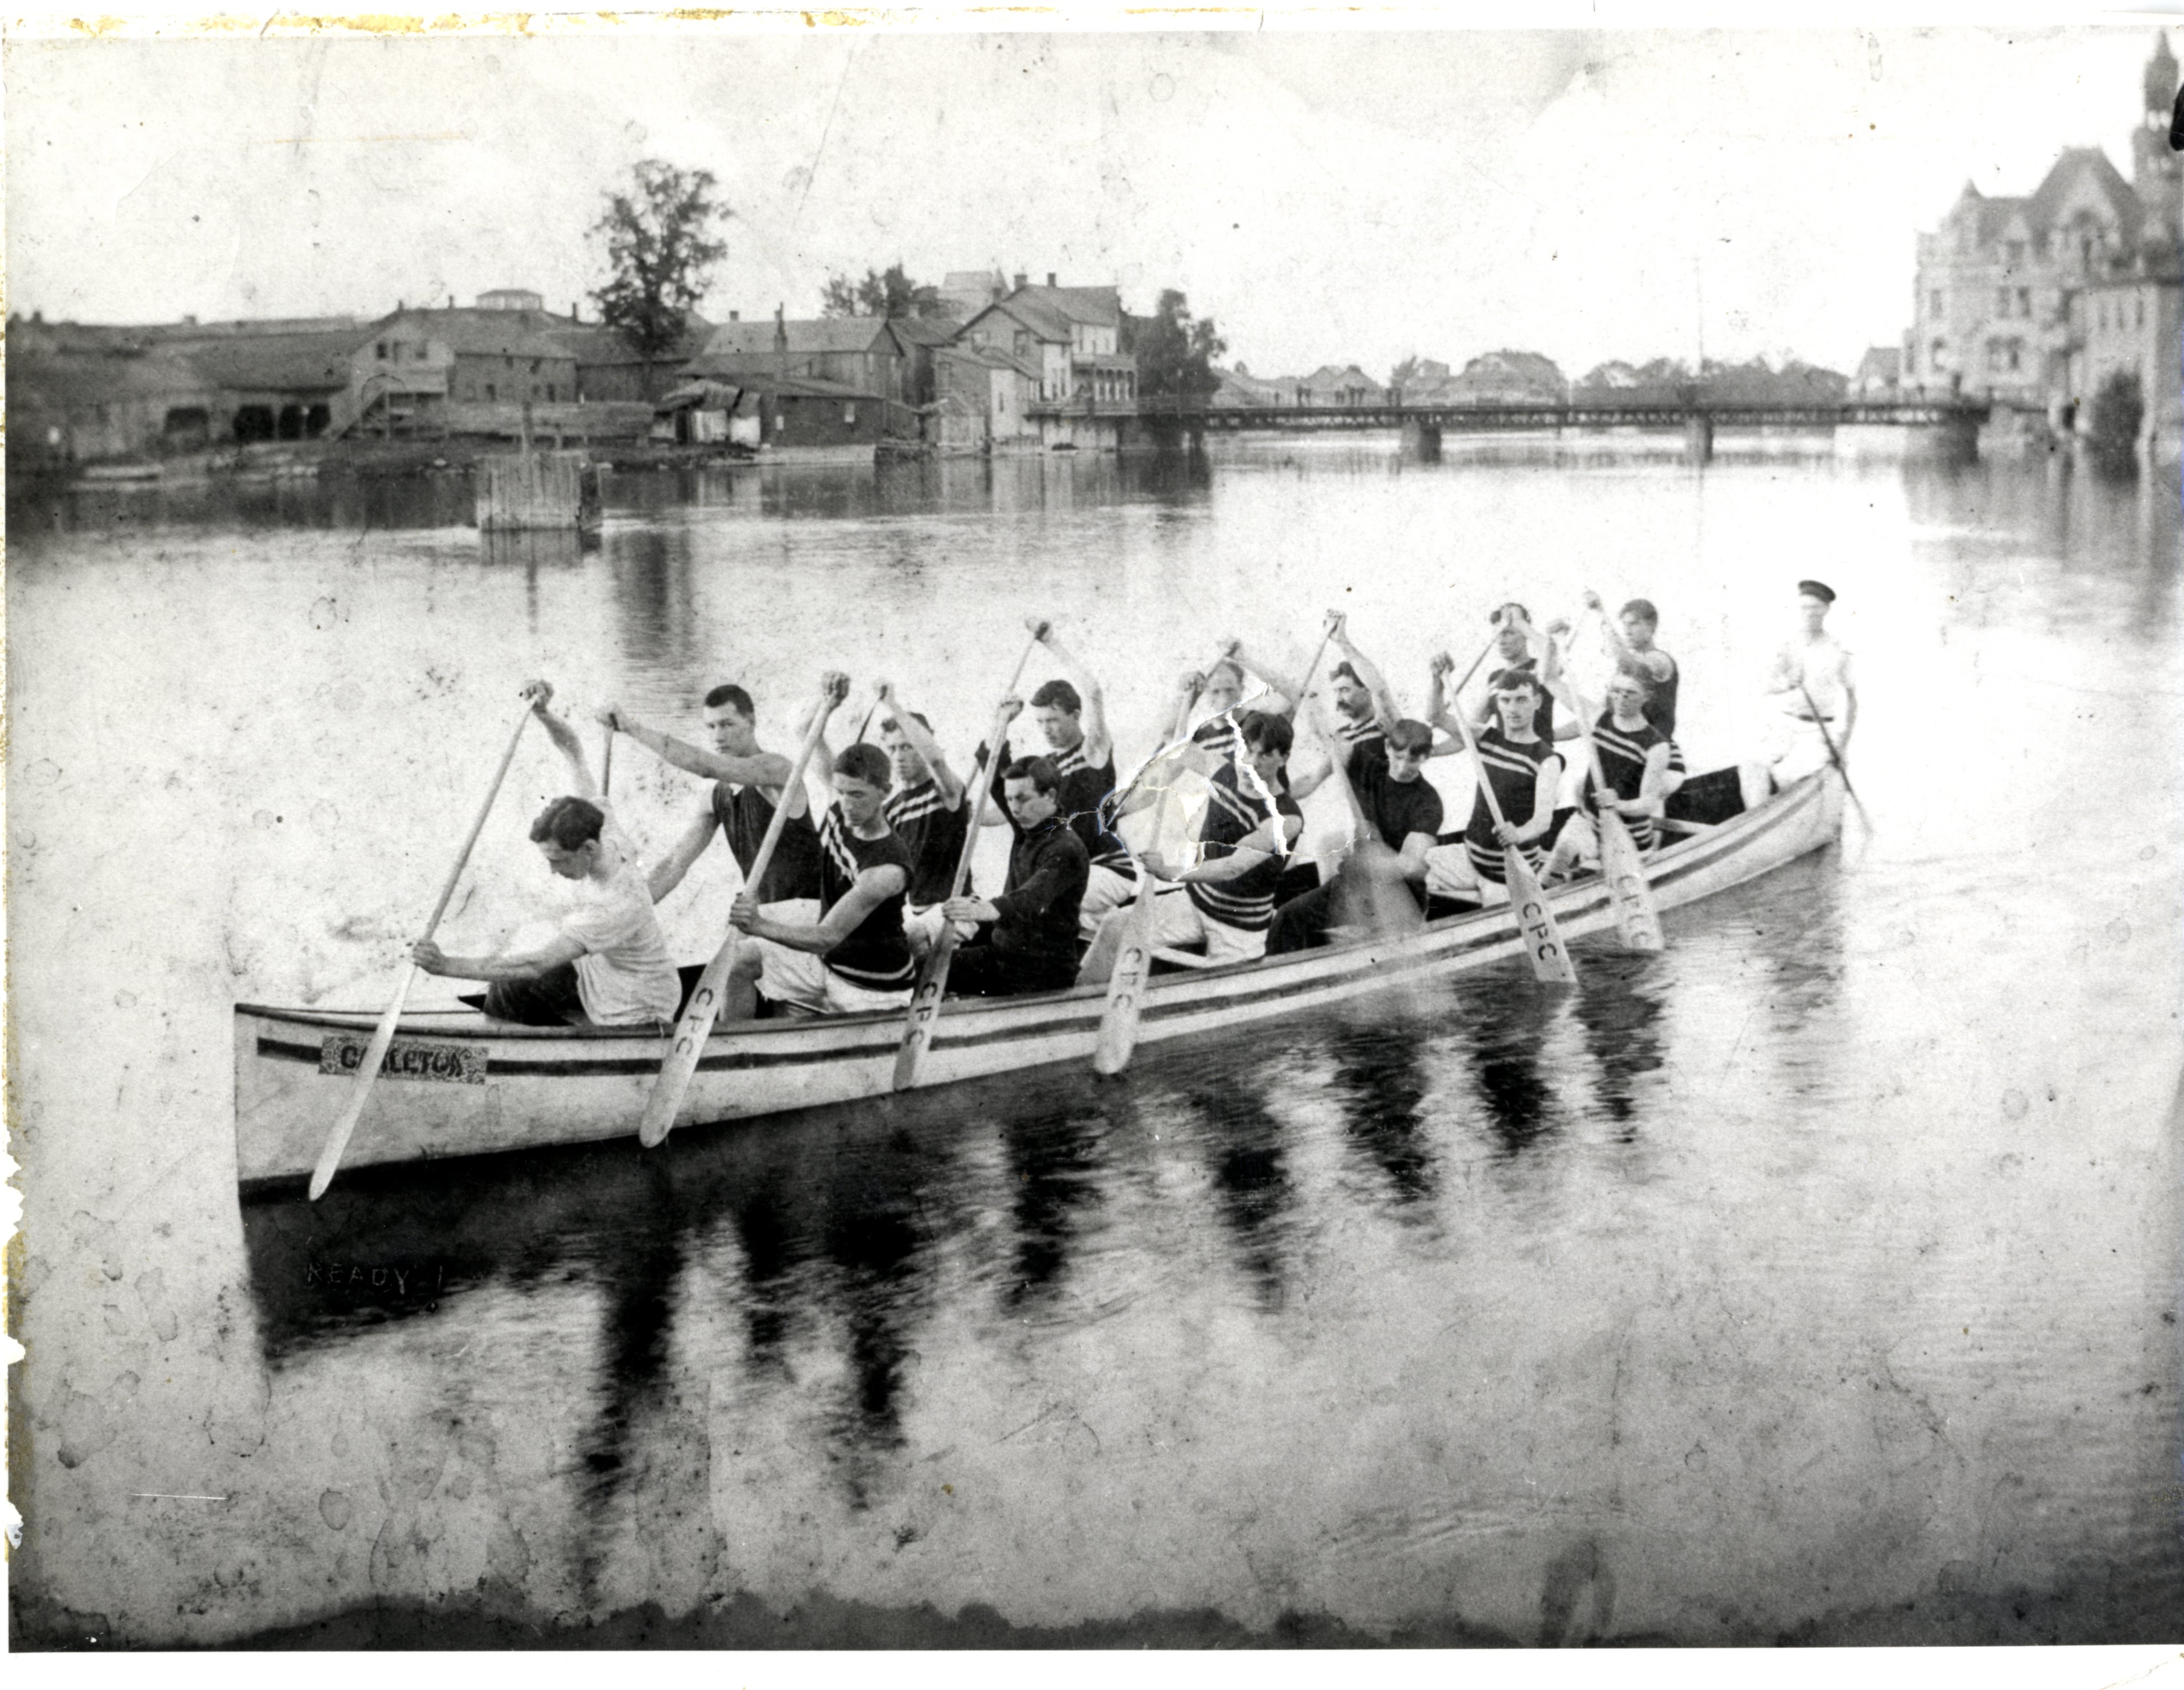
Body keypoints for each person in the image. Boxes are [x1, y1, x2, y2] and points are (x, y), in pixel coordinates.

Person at [412, 682, 679, 1027]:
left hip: (636, 1007)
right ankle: (513, 1046)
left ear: (588, 849)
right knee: (508, 985)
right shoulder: (601, 824)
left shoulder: (617, 903)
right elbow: (573, 751)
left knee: (517, 976)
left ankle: (511, 1058)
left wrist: (446, 966)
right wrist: (543, 714)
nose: (553, 871)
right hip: (599, 975)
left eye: (558, 861)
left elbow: (535, 965)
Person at [1078, 710, 1304, 980]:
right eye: (1247, 751)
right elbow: (1178, 746)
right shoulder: (1223, 770)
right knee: (1116, 926)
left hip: (1238, 928)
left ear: (1284, 758)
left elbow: (1232, 868)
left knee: (1220, 994)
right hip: (1196, 902)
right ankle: (1079, 997)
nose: (1251, 764)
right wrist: (1187, 700)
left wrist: (1171, 871)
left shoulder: (1287, 819)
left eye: (1264, 755)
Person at [722, 730, 917, 1020]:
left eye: (857, 795)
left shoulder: (885, 870)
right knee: (739, 962)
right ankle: (732, 1051)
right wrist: (829, 698)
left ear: (885, 792)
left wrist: (758, 924)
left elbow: (827, 937)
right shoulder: (843, 809)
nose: (847, 804)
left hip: (870, 986)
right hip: (831, 961)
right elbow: (812, 739)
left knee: (758, 930)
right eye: (841, 792)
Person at [603, 679, 825, 913]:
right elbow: (675, 864)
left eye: (727, 724)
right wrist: (626, 912)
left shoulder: (777, 770)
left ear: (751, 722)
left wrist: (631, 728)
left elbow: (705, 767)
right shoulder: (715, 797)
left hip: (811, 910)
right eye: (711, 727)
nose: (718, 736)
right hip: (767, 915)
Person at [1265, 714, 1444, 953]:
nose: (1402, 768)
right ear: (1388, 747)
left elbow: (1409, 865)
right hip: (1356, 883)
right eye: (1398, 757)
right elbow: (1330, 737)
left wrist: (1369, 859)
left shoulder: (1427, 802)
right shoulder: (1371, 768)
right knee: (1288, 917)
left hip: (1400, 895)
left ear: (1427, 757)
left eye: (1413, 761)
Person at [1011, 618, 1137, 936]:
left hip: (1108, 868)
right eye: (1039, 723)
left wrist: (1051, 642)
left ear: (1076, 716)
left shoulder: (1093, 751)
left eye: (1052, 720)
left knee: (1047, 904)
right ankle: (1099, 942)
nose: (1046, 730)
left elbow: (1093, 692)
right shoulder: (1046, 765)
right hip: (1073, 871)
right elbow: (1008, 808)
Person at [943, 749, 1090, 997]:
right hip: (1008, 957)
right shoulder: (1029, 828)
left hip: (1039, 973)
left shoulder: (1065, 848)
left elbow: (1032, 898)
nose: (1014, 808)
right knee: (934, 959)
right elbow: (998, 782)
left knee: (930, 968)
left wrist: (988, 909)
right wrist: (990, 749)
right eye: (1010, 800)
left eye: (1022, 799)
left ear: (1051, 796)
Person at [1422, 667, 1565, 907]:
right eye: (1506, 700)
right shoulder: (1486, 737)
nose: (1513, 708)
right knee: (1417, 867)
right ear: (1498, 704)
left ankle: (1539, 883)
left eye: (1521, 700)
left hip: (1507, 874)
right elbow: (1436, 716)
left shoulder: (1546, 760)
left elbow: (1543, 822)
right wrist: (1437, 680)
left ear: (1537, 702)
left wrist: (1517, 834)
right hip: (1471, 859)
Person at [1542, 666, 1676, 881]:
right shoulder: (1598, 718)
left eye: (1630, 693)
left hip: (1628, 837)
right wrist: (1551, 639)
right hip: (1586, 822)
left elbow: (1649, 803)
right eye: (1616, 691)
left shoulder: (1656, 746)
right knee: (1548, 879)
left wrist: (1618, 804)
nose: (1620, 699)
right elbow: (1550, 679)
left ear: (1647, 697)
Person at [872, 680, 970, 957]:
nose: (898, 757)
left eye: (907, 747)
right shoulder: (890, 810)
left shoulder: (945, 791)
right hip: (918, 914)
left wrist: (892, 704)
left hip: (959, 909)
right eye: (892, 749)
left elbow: (936, 761)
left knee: (906, 942)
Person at [1764, 579, 1857, 784]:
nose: (1809, 613)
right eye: (1804, 607)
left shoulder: (1838, 648)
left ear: (1826, 609)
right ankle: (1759, 814)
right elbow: (1765, 686)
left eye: (1815, 607)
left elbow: (1853, 700)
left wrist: (1843, 747)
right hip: (1784, 726)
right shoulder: (1787, 644)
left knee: (1786, 774)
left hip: (1818, 731)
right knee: (1752, 763)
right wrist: (1786, 684)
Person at [1584, 589, 1681, 737]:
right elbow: (1597, 715)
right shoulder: (1623, 672)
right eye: (1625, 625)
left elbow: (1629, 665)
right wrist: (1548, 735)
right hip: (1628, 751)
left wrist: (1600, 612)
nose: (1627, 631)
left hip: (1654, 751)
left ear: (1652, 626)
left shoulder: (1661, 661)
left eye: (1633, 624)